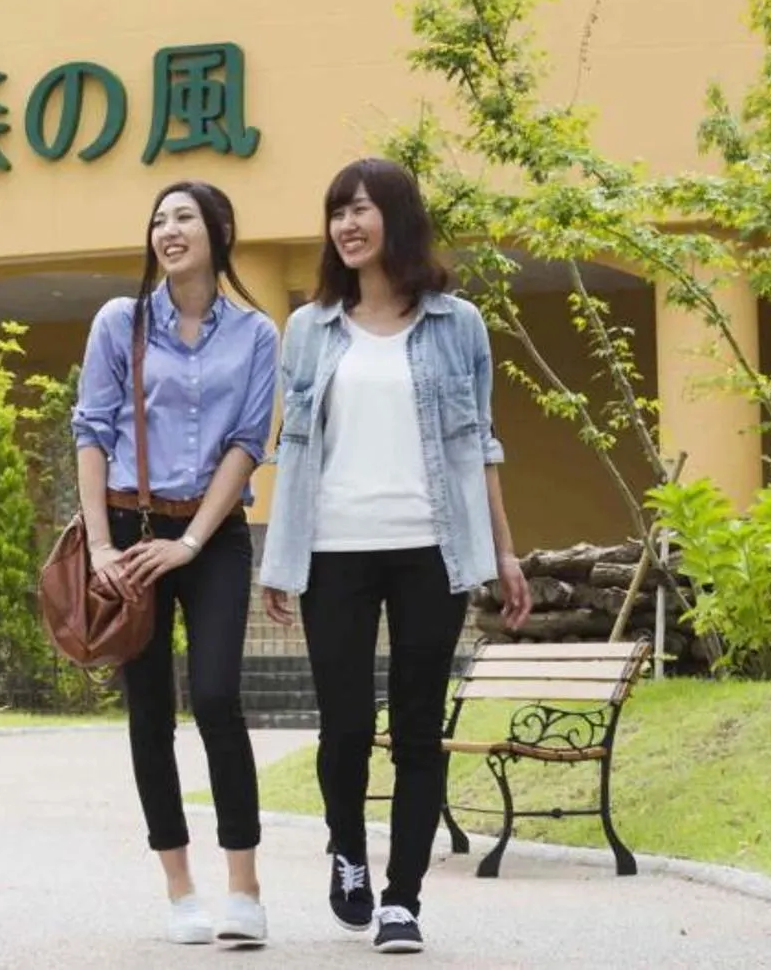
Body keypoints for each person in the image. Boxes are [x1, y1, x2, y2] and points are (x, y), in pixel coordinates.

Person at [257, 158, 533, 955]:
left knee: (417, 728)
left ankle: (402, 898)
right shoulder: (307, 329)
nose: (346, 224)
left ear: (398, 219)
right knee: (343, 726)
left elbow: (479, 445)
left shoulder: (458, 326)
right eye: (336, 211)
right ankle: (346, 850)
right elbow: (295, 450)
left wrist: (504, 554)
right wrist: (280, 559)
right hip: (334, 548)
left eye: (362, 209)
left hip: (429, 549)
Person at [71, 180, 280, 947]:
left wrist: (191, 541)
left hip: (212, 534)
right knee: (149, 711)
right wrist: (100, 546)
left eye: (183, 217)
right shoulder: (118, 323)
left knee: (220, 699)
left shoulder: (256, 334)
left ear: (218, 230)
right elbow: (91, 430)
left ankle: (244, 888)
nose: (167, 230)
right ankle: (178, 887)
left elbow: (246, 443)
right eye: (157, 219)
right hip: (127, 529)